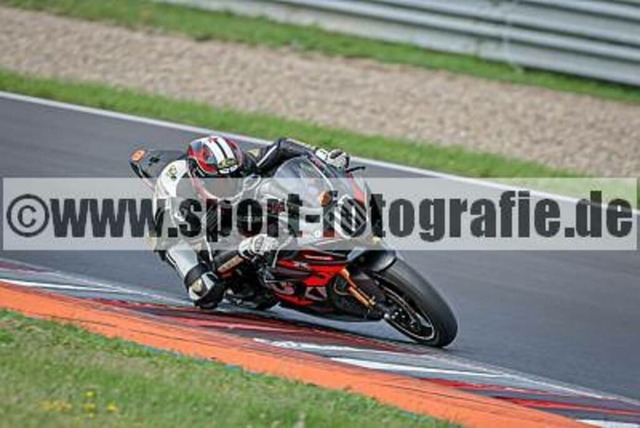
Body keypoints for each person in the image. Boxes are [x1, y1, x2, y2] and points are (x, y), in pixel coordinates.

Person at [152, 135, 350, 309]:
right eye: (221, 181)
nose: (231, 183)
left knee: (265, 187)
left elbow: (281, 146)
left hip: (224, 207)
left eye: (234, 176)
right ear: (200, 180)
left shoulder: (243, 163)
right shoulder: (187, 205)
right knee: (206, 291)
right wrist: (247, 247)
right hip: (177, 232)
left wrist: (320, 155)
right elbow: (212, 259)